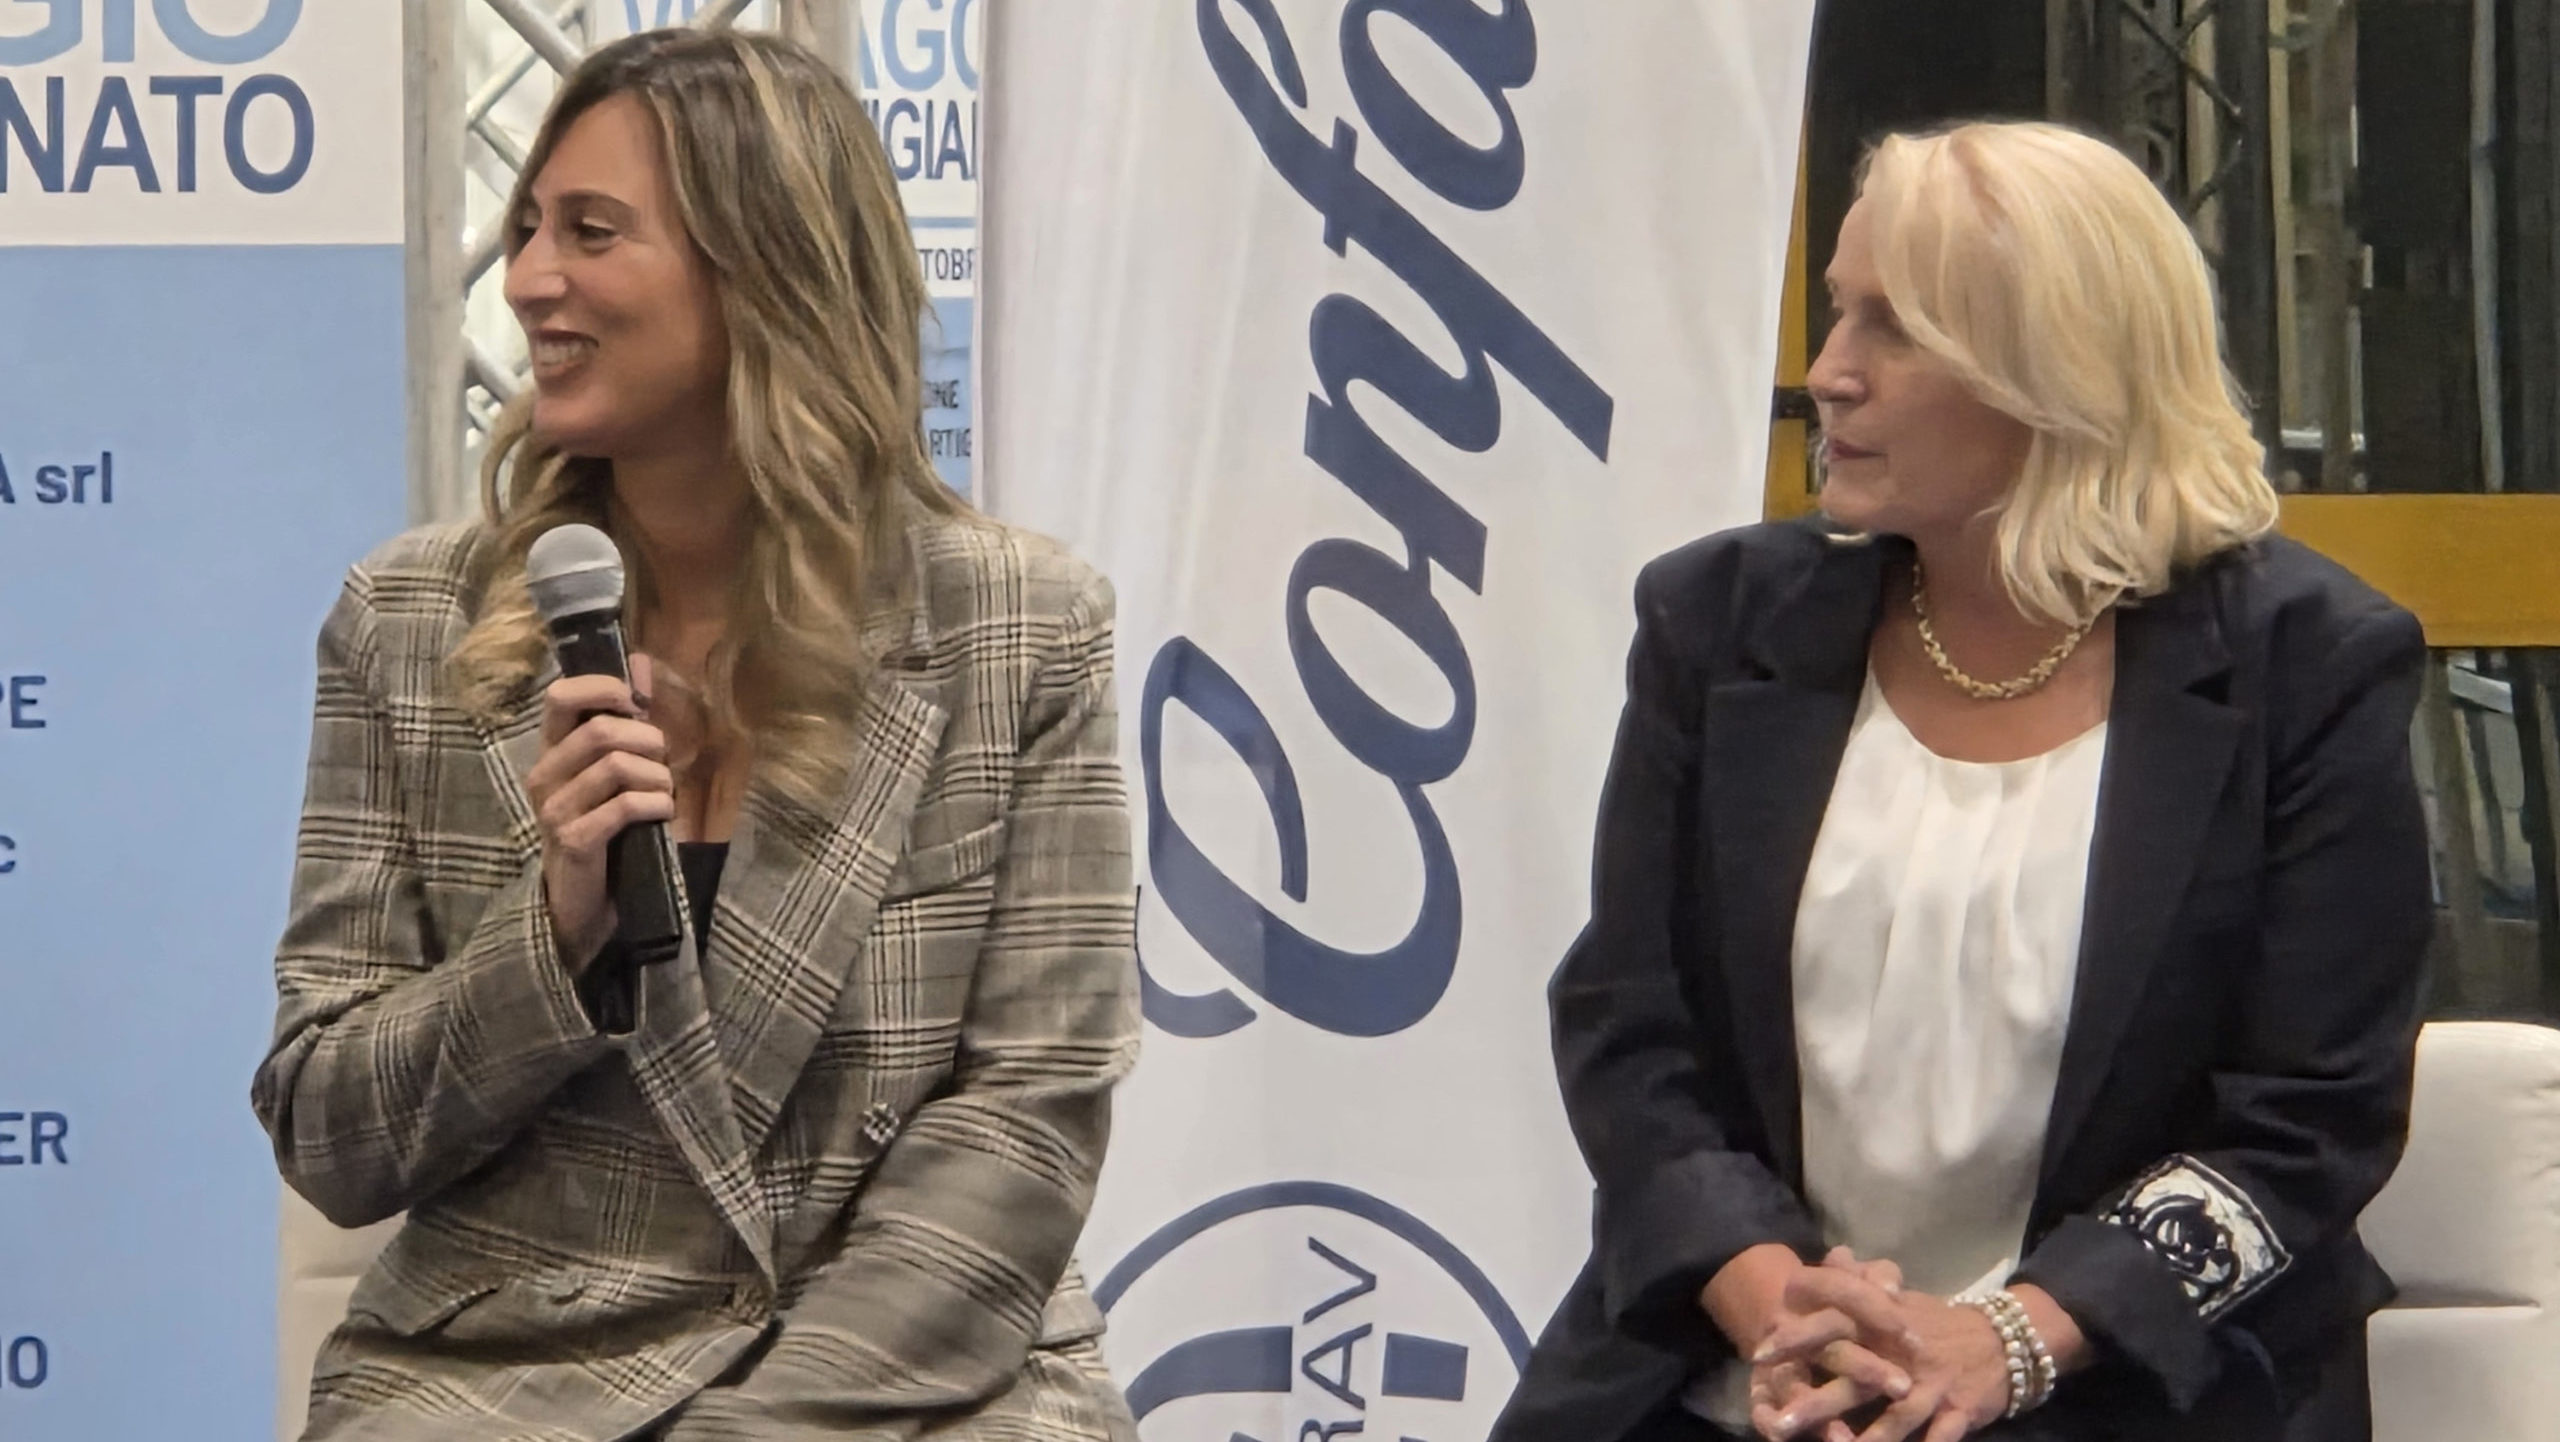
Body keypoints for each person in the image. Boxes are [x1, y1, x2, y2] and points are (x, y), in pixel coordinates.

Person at [251, 30, 1140, 1442]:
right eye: (526, 227)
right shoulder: (410, 623)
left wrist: (762, 1428)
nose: (528, 277)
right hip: (513, 1376)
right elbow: (328, 1128)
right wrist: (553, 935)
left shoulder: (1017, 628)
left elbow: (1025, 1120)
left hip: (919, 1374)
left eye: (591, 231)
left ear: (765, 270)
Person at [1490, 120, 2431, 1442]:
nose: (1830, 374)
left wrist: (2006, 1340)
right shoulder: (1719, 623)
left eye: (1893, 329)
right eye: (1838, 314)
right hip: (1740, 1378)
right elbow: (1631, 1030)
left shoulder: (2308, 667)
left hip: (2122, 1387)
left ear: (2055, 369)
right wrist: (1781, 1308)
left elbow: (2308, 1117)